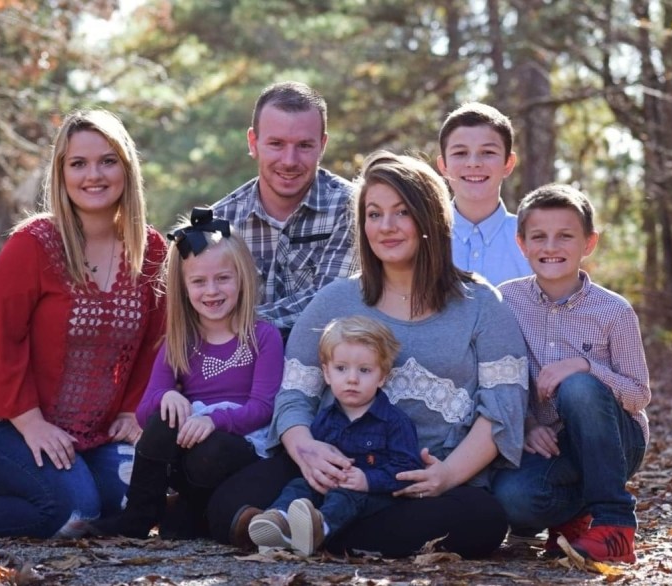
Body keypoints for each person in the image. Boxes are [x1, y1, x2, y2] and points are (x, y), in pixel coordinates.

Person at [206, 150, 529, 558]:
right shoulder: (335, 301)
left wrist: (446, 476)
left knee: (483, 520)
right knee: (227, 504)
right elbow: (294, 396)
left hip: (418, 480)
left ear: (429, 217)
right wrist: (307, 450)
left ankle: (312, 529)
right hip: (331, 464)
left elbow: (503, 409)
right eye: (373, 214)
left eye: (401, 213)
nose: (386, 227)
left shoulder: (482, 304)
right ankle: (309, 525)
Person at [0, 109, 168, 538]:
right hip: (6, 428)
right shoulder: (32, 245)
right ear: (61, 173)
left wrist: (132, 410)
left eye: (108, 161)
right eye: (78, 163)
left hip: (94, 433)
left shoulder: (151, 249)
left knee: (136, 500)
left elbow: (154, 344)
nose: (94, 175)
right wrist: (31, 423)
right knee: (72, 513)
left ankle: (71, 485)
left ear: (126, 168)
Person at [89, 207, 283, 539]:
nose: (212, 291)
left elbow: (263, 409)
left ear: (243, 278)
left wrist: (214, 420)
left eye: (223, 278)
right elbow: (144, 413)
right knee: (165, 418)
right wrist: (168, 396)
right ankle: (138, 514)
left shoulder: (263, 335)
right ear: (183, 287)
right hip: (188, 444)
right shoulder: (180, 341)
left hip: (239, 444)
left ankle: (192, 508)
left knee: (210, 456)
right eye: (198, 281)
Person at [491, 183, 651, 564]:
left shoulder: (614, 311)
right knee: (512, 499)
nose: (551, 247)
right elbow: (495, 377)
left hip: (615, 441)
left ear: (588, 243)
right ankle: (574, 518)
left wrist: (585, 366)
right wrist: (528, 423)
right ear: (522, 244)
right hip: (551, 446)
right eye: (539, 237)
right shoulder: (504, 301)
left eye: (565, 236)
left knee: (578, 386)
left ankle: (615, 524)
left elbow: (639, 395)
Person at [248, 316, 423, 556]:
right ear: (327, 374)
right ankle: (279, 520)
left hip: (370, 496)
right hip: (327, 487)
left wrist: (367, 480)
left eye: (364, 370)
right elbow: (313, 459)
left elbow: (407, 469)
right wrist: (317, 473)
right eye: (341, 369)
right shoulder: (325, 418)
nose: (352, 378)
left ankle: (319, 529)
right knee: (299, 486)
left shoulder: (395, 422)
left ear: (382, 376)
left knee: (346, 496)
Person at [212, 81, 357, 340]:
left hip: (330, 373)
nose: (289, 161)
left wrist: (229, 322)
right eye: (276, 144)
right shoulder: (220, 221)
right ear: (253, 142)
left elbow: (331, 304)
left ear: (322, 145)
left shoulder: (352, 209)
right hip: (238, 373)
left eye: (304, 145)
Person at [436, 102, 531, 285]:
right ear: (443, 166)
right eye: (461, 153)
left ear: (508, 164)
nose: (473, 163)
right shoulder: (421, 239)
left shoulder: (535, 241)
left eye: (488, 152)